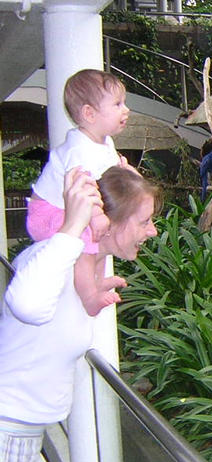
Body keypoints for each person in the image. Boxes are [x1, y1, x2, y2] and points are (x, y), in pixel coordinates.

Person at [0, 166, 160, 462]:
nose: (152, 231)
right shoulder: (51, 260)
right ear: (111, 221)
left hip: (24, 448)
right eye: (145, 220)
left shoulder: (84, 270)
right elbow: (25, 302)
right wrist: (73, 226)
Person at [26, 69, 133, 317]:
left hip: (69, 210)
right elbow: (83, 186)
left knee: (97, 237)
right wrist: (96, 216)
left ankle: (95, 282)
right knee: (89, 233)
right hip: (47, 214)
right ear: (89, 113)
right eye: (117, 104)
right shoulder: (78, 149)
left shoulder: (105, 143)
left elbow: (114, 171)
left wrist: (127, 172)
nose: (125, 110)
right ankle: (89, 296)